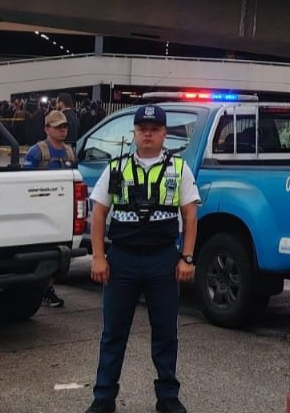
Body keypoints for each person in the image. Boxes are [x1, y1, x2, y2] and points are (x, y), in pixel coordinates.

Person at [85, 104, 198, 413]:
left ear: (164, 134)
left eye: (155, 129)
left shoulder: (179, 168)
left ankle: (168, 397)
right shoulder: (116, 168)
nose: (148, 133)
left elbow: (190, 216)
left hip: (163, 260)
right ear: (134, 133)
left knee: (165, 333)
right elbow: (98, 214)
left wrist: (186, 258)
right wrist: (98, 257)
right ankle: (104, 398)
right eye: (142, 129)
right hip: (122, 260)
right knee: (113, 334)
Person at [23, 110, 76, 309]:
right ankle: (43, 289)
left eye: (65, 126)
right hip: (42, 209)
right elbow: (26, 182)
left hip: (61, 210)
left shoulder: (69, 151)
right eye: (58, 127)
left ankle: (47, 287)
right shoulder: (38, 152)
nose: (63, 130)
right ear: (47, 129)